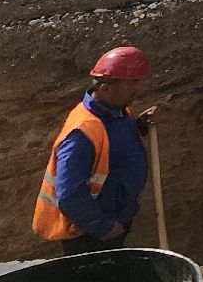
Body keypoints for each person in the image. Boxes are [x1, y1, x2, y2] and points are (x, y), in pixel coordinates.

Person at [33, 46, 158, 254]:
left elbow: (113, 143)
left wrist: (139, 126)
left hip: (115, 218)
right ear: (106, 87)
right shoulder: (81, 133)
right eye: (132, 84)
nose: (139, 90)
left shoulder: (118, 110)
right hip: (90, 234)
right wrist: (104, 227)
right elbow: (70, 194)